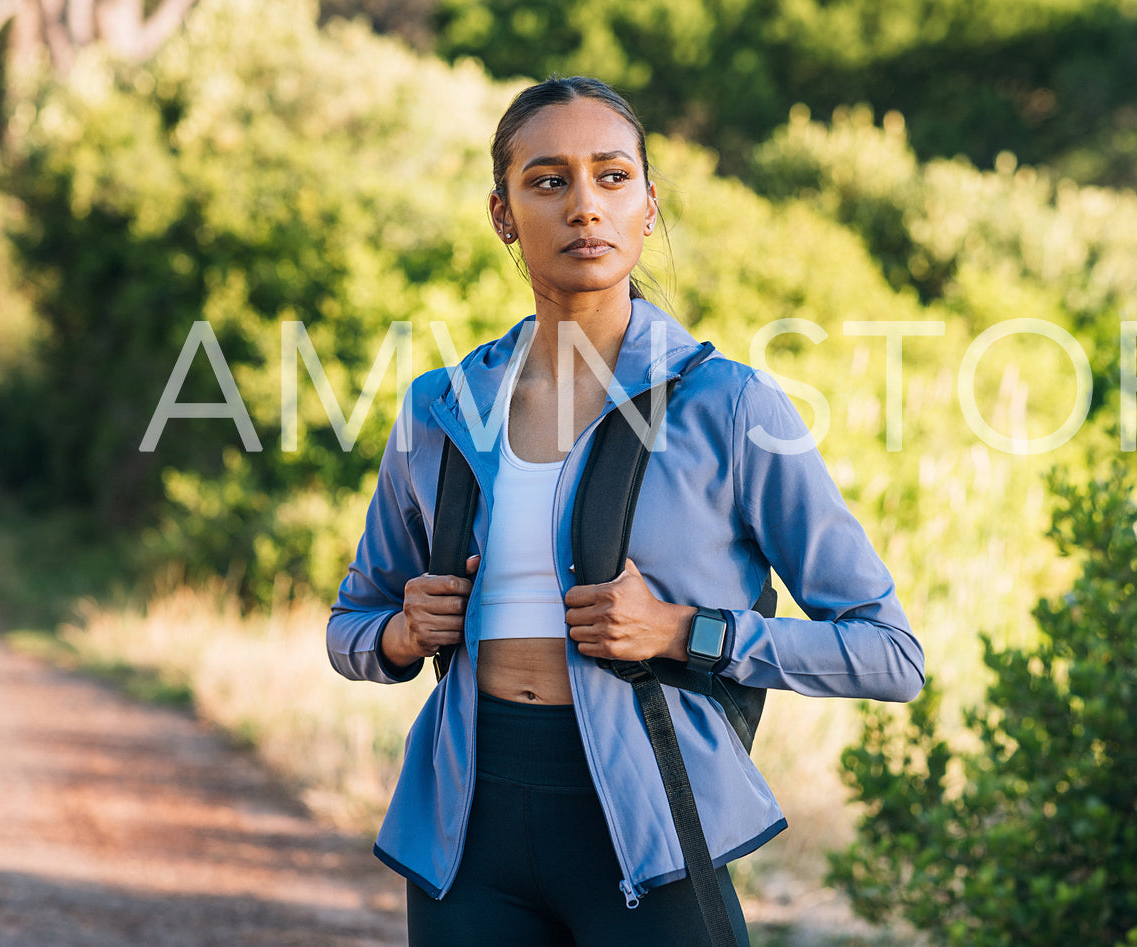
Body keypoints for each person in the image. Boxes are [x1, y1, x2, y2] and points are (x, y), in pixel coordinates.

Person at [326, 75, 925, 946]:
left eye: (611, 177)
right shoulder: (438, 408)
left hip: (650, 837)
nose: (583, 207)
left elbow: (890, 653)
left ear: (649, 207)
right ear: (502, 214)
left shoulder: (729, 406)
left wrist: (689, 632)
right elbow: (352, 622)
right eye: (547, 180)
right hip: (467, 838)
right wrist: (398, 636)